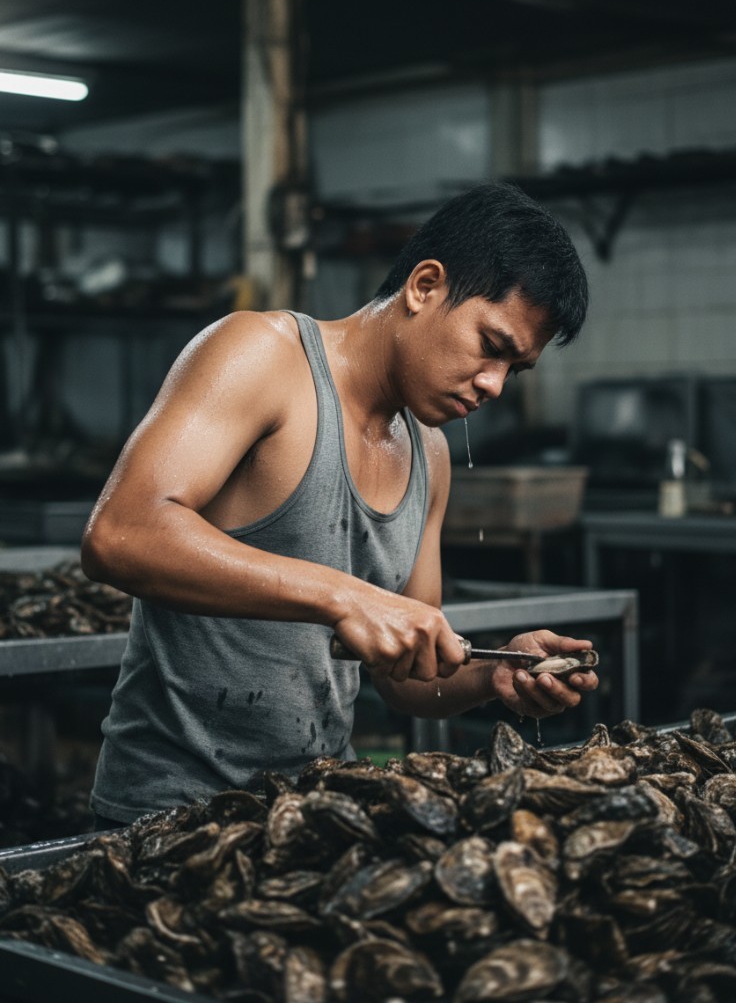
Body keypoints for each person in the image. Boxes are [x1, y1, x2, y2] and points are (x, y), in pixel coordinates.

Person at [81, 182, 597, 826]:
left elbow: (406, 678)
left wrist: (493, 676)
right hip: (166, 819)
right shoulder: (261, 355)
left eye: (514, 370)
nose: (493, 384)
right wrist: (345, 595)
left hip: (315, 816)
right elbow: (120, 534)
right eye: (491, 347)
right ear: (425, 286)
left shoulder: (429, 454)